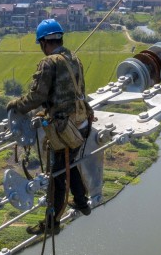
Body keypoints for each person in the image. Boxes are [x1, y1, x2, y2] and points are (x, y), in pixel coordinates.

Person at [7, 19, 95, 235]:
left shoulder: (49, 63)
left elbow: (37, 96)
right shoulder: (74, 58)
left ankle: (51, 222)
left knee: (56, 176)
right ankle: (82, 202)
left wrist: (16, 105)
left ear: (44, 42)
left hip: (65, 128)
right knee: (70, 161)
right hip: (81, 121)